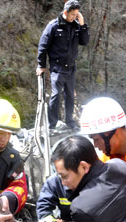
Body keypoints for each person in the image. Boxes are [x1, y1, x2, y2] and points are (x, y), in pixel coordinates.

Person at [37, 0, 89, 131]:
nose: (73, 17)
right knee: (56, 96)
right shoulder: (53, 26)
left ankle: (69, 121)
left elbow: (84, 41)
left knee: (70, 95)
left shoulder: (76, 25)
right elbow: (43, 46)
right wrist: (41, 65)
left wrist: (82, 24)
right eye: (72, 15)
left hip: (71, 67)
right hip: (57, 67)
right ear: (65, 12)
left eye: (76, 15)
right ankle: (51, 125)